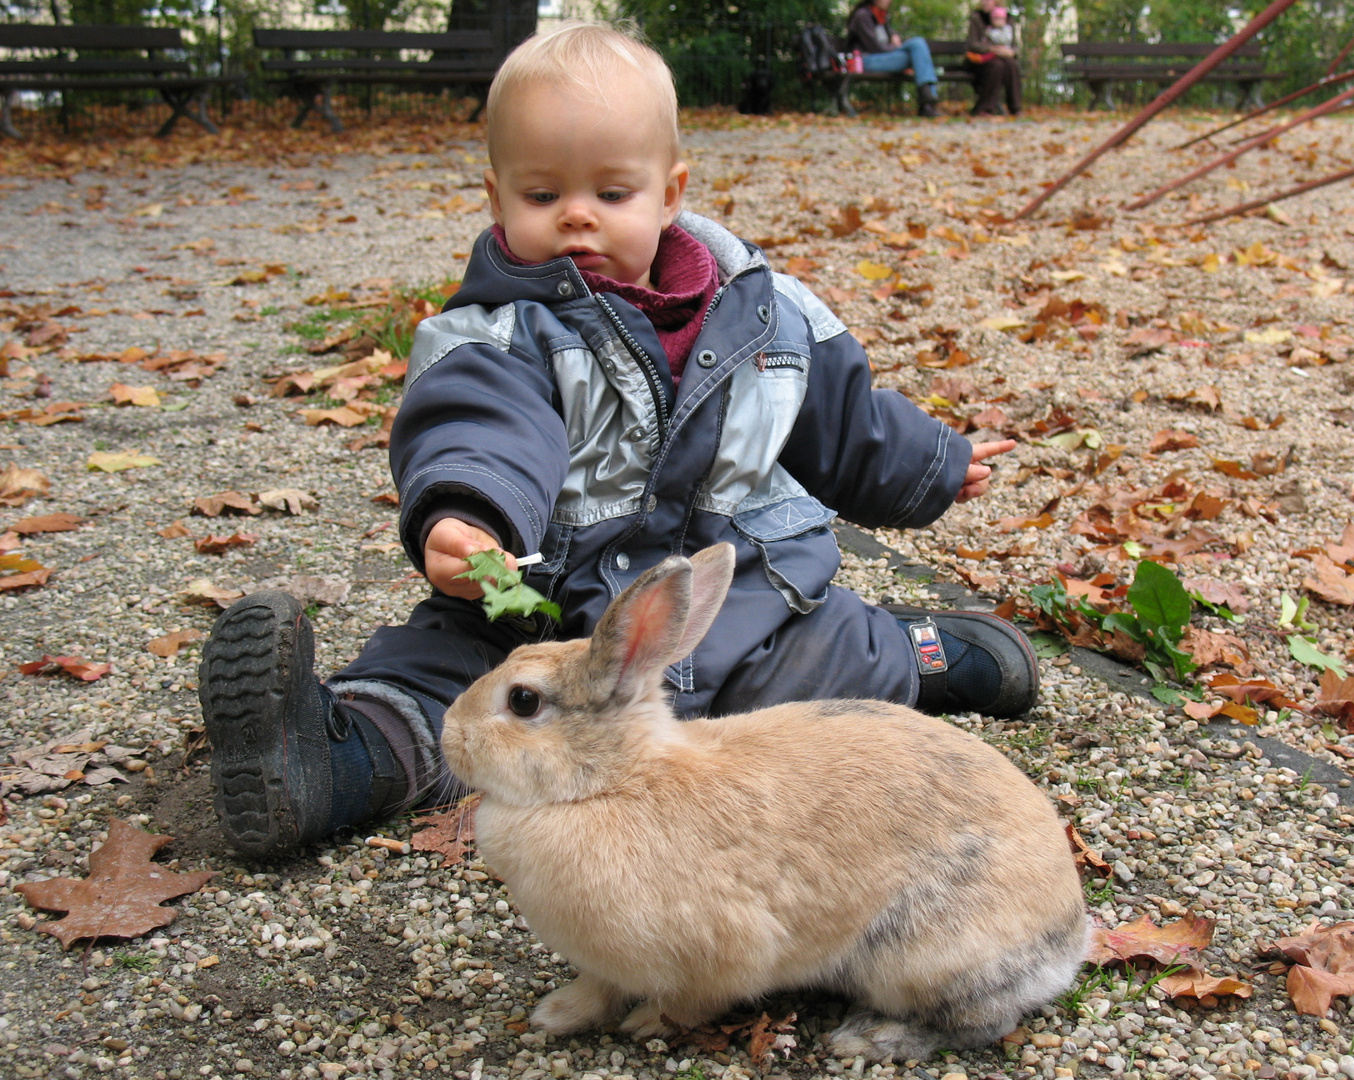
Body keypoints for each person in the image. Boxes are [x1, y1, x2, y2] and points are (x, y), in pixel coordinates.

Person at [197, 21, 1037, 859]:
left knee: (825, 656)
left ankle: (916, 655)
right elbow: (481, 421)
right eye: (540, 197)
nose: (576, 219)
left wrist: (935, 462)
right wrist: (469, 512)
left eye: (611, 194)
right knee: (450, 674)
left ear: (670, 193)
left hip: (733, 599)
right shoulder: (497, 332)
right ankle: (331, 757)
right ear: (496, 200)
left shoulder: (772, 313)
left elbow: (848, 423)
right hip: (549, 612)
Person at [846, 0, 942, 117]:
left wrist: (893, 35)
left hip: (884, 57)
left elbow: (888, 35)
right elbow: (874, 47)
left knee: (918, 52)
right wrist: (896, 47)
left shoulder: (881, 16)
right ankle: (927, 103)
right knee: (918, 49)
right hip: (865, 60)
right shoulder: (862, 15)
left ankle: (927, 100)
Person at [965, 0, 1022, 116]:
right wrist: (991, 49)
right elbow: (972, 44)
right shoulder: (977, 18)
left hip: (1004, 57)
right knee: (996, 66)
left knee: (1012, 65)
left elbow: (1015, 45)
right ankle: (985, 108)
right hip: (980, 59)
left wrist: (1011, 52)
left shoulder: (1008, 19)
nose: (984, 2)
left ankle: (1016, 108)